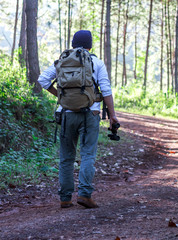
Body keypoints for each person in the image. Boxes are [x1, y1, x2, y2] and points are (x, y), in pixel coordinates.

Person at [38, 30, 119, 208]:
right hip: (90, 114)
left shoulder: (63, 61)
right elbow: (105, 90)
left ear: (73, 44)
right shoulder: (96, 62)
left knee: (66, 157)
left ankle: (65, 198)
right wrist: (112, 116)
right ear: (90, 45)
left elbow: (43, 80)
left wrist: (61, 97)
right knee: (88, 154)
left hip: (66, 113)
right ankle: (84, 194)